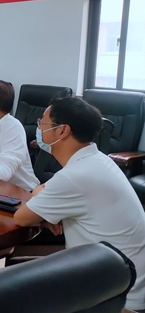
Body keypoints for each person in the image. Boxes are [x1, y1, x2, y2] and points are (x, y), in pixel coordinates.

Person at [14, 97, 145, 311]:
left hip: (116, 299)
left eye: (42, 122)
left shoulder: (75, 176)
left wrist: (41, 203)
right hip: (121, 280)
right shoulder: (98, 160)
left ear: (62, 131)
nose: (38, 128)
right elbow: (44, 190)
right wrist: (46, 208)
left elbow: (22, 217)